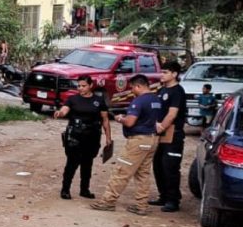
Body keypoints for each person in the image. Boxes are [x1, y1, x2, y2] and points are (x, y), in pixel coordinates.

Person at [91, 74, 162, 215]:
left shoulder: (139, 101)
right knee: (143, 174)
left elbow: (130, 122)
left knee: (122, 171)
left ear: (139, 86)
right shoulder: (156, 99)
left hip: (138, 141)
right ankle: (142, 205)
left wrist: (120, 119)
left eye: (132, 88)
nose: (132, 91)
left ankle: (108, 201)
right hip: (152, 139)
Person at [53, 75, 112, 200]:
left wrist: (108, 137)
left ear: (90, 85)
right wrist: (60, 113)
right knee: (71, 163)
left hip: (92, 136)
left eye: (83, 86)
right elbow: (65, 109)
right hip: (75, 135)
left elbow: (105, 120)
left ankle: (84, 189)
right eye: (79, 86)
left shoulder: (99, 100)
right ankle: (65, 189)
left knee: (87, 163)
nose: (80, 88)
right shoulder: (73, 99)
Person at [149, 61, 187, 213]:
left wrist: (161, 126)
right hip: (160, 134)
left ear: (175, 74)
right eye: (162, 72)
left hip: (173, 134)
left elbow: (172, 114)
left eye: (165, 72)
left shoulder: (177, 91)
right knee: (157, 164)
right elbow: (157, 109)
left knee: (170, 166)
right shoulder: (162, 90)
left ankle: (173, 200)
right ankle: (163, 196)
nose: (161, 75)